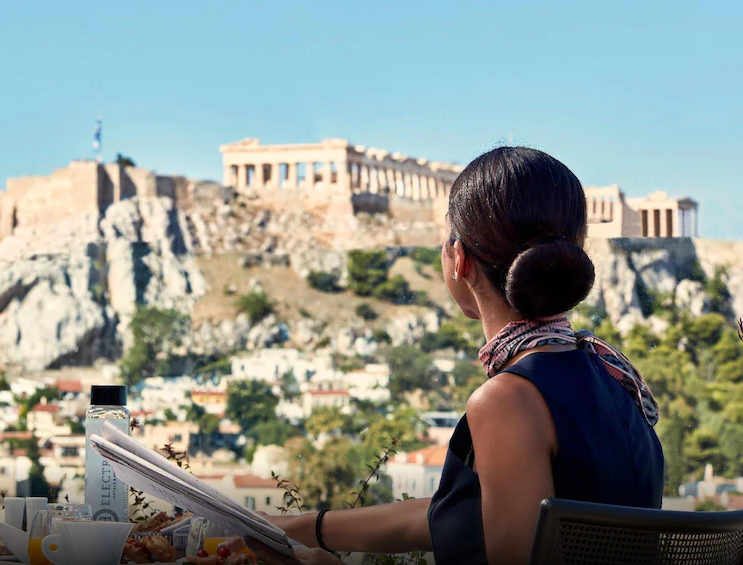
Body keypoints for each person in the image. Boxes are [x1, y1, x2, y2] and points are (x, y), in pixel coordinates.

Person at [238, 146, 664, 565]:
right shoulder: (613, 375)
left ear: (458, 259)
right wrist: (298, 527)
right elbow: (463, 516)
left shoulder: (509, 400)